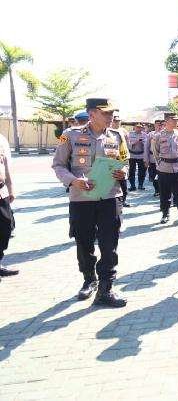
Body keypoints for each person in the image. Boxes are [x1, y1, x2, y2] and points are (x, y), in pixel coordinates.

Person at [51, 97, 129, 307]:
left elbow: (124, 161)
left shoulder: (117, 136)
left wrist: (123, 171)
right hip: (81, 198)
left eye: (112, 112)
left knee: (109, 243)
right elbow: (58, 165)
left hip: (110, 197)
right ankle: (89, 279)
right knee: (84, 241)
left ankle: (106, 288)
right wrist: (73, 181)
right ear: (92, 113)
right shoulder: (70, 135)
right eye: (106, 112)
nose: (111, 116)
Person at [152, 112, 178, 226]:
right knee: (164, 194)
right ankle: (165, 214)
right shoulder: (158, 136)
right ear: (166, 121)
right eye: (173, 120)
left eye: (177, 120)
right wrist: (160, 163)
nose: (176, 122)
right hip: (164, 169)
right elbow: (155, 152)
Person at [0, 132, 18, 280]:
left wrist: (10, 188)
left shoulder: (1, 139)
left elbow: (6, 165)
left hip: (1, 191)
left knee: (6, 226)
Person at [111, 114, 130, 207]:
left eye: (118, 121)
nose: (117, 123)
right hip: (112, 160)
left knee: (123, 181)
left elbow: (127, 144)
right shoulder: (108, 131)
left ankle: (124, 200)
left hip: (122, 159)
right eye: (115, 121)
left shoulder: (124, 131)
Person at [127, 123, 149, 191]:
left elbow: (147, 145)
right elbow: (128, 144)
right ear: (134, 127)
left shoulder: (145, 135)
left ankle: (140, 185)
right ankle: (132, 186)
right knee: (131, 171)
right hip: (132, 155)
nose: (139, 128)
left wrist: (143, 142)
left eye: (140, 127)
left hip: (141, 155)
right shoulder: (130, 134)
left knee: (142, 171)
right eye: (137, 127)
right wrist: (136, 142)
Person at [147, 120, 163, 197]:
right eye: (157, 125)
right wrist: (146, 159)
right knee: (154, 175)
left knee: (162, 175)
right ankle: (157, 190)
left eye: (160, 125)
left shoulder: (164, 134)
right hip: (152, 158)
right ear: (154, 125)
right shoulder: (151, 134)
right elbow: (146, 147)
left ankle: (162, 190)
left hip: (163, 159)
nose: (159, 126)